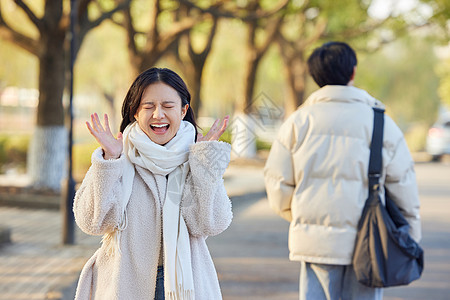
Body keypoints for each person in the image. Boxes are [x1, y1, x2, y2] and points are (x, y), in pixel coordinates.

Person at [264, 41, 421, 300]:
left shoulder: (298, 122)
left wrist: (304, 217)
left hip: (315, 243)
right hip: (371, 240)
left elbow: (277, 182)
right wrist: (410, 238)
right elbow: (403, 186)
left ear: (316, 77)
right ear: (353, 72)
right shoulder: (380, 121)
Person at [73, 67, 233, 300]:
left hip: (185, 284)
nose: (158, 114)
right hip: (123, 284)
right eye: (148, 106)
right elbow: (91, 222)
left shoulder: (197, 157)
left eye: (168, 106)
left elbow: (211, 223)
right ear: (135, 112)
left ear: (183, 110)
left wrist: (205, 162)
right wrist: (109, 161)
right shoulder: (117, 156)